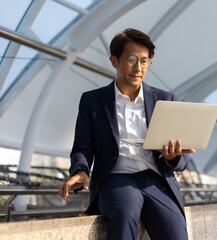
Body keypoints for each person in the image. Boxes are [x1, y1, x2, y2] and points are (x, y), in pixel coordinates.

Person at [59, 28, 195, 240]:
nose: (138, 67)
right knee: (124, 217)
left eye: (144, 60)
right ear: (115, 61)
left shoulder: (165, 99)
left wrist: (172, 157)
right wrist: (81, 171)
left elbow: (182, 160)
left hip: (156, 180)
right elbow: (83, 145)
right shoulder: (93, 101)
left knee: (176, 233)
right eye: (131, 59)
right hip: (117, 178)